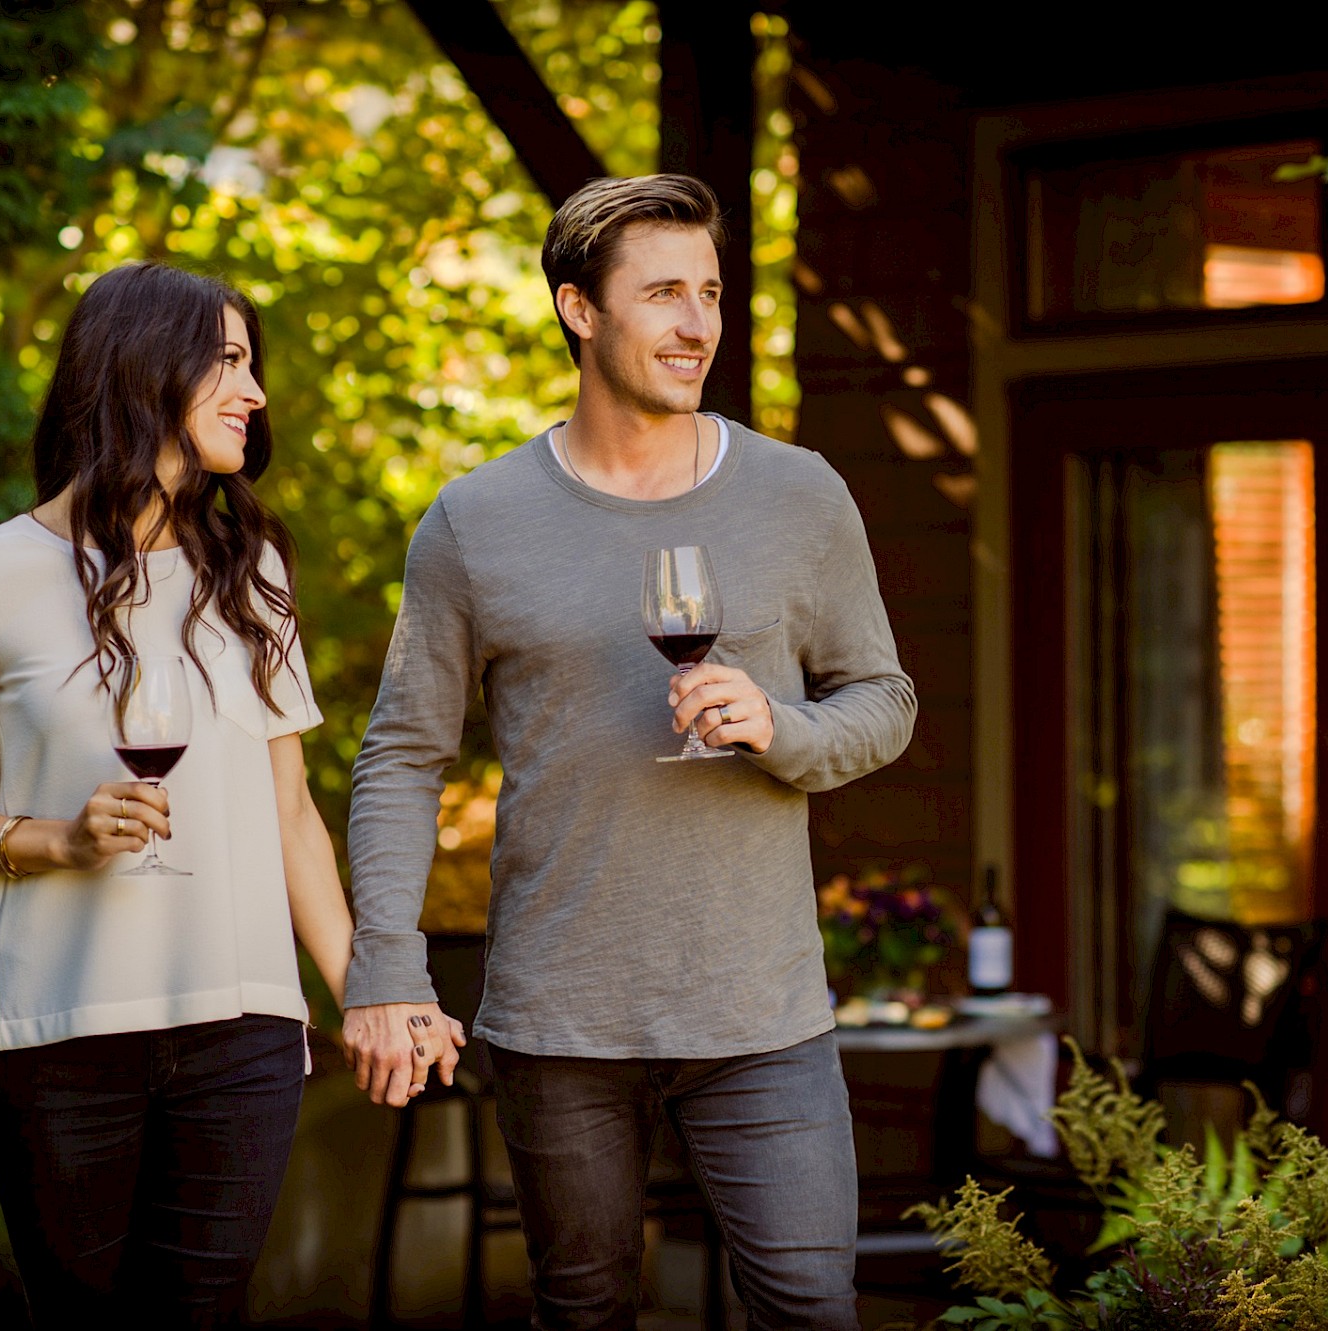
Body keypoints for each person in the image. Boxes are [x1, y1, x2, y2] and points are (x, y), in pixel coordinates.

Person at [344, 174, 918, 1329]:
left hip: (762, 1016)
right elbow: (403, 755)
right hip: (560, 1018)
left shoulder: (799, 495)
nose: (697, 323)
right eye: (662, 293)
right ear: (577, 309)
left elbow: (884, 699)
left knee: (811, 1306)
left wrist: (780, 727)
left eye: (708, 293)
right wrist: (387, 966)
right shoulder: (475, 519)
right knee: (586, 1308)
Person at [0, 261, 357, 1329]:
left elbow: (290, 812)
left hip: (242, 1027)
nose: (255, 392)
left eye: (253, 364)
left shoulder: (254, 571)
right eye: (228, 362)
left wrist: (361, 989)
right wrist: (53, 838)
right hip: (62, 1035)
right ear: (146, 370)